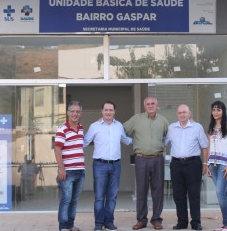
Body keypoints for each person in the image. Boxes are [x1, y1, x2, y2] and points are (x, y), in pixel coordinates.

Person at [84, 101, 132, 231]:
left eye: (111, 110)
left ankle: (109, 222)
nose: (108, 112)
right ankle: (99, 224)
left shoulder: (119, 126)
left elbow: (125, 140)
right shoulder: (94, 126)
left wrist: (140, 138)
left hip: (116, 165)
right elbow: (85, 141)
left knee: (112, 196)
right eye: (106, 110)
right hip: (100, 165)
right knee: (99, 197)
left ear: (114, 111)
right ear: (102, 111)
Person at [123, 96, 169, 230]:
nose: (150, 105)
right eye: (148, 104)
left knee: (158, 190)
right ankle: (141, 220)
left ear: (157, 105)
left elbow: (168, 136)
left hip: (157, 159)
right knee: (141, 190)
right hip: (141, 159)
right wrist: (129, 141)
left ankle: (156, 220)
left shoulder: (163, 121)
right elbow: (121, 130)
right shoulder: (136, 119)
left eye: (153, 103)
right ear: (144, 106)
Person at [164, 104, 208, 230]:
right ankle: (182, 222)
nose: (182, 115)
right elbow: (163, 142)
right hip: (176, 164)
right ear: (177, 114)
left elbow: (204, 146)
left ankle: (196, 222)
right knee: (178, 194)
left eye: (184, 112)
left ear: (189, 114)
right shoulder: (171, 128)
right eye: (180, 113)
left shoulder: (197, 127)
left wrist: (205, 163)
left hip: (193, 164)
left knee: (194, 194)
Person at [54, 101, 85, 231]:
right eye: (72, 111)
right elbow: (57, 149)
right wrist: (61, 168)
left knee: (74, 201)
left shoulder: (81, 128)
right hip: (67, 172)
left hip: (80, 171)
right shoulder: (62, 129)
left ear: (80, 113)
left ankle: (70, 226)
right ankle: (63, 227)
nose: (75, 114)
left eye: (77, 111)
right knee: (66, 200)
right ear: (68, 113)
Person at [206, 101, 227, 231]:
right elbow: (208, 146)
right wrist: (207, 165)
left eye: (218, 110)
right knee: (224, 194)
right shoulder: (211, 127)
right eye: (213, 110)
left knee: (219, 193)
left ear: (223, 111)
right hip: (213, 165)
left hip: (225, 166)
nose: (215, 112)